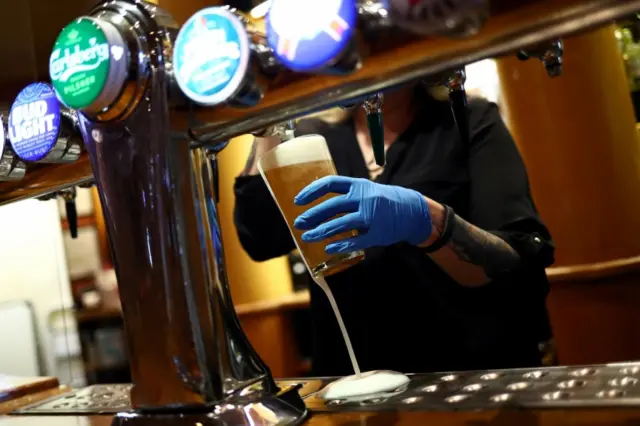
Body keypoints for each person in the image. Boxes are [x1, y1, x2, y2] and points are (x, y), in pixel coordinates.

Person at [233, 83, 555, 376]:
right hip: (352, 381)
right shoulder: (316, 138)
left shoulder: (466, 119)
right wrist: (267, 123)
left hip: (465, 375)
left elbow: (515, 263)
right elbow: (260, 238)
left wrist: (427, 221)